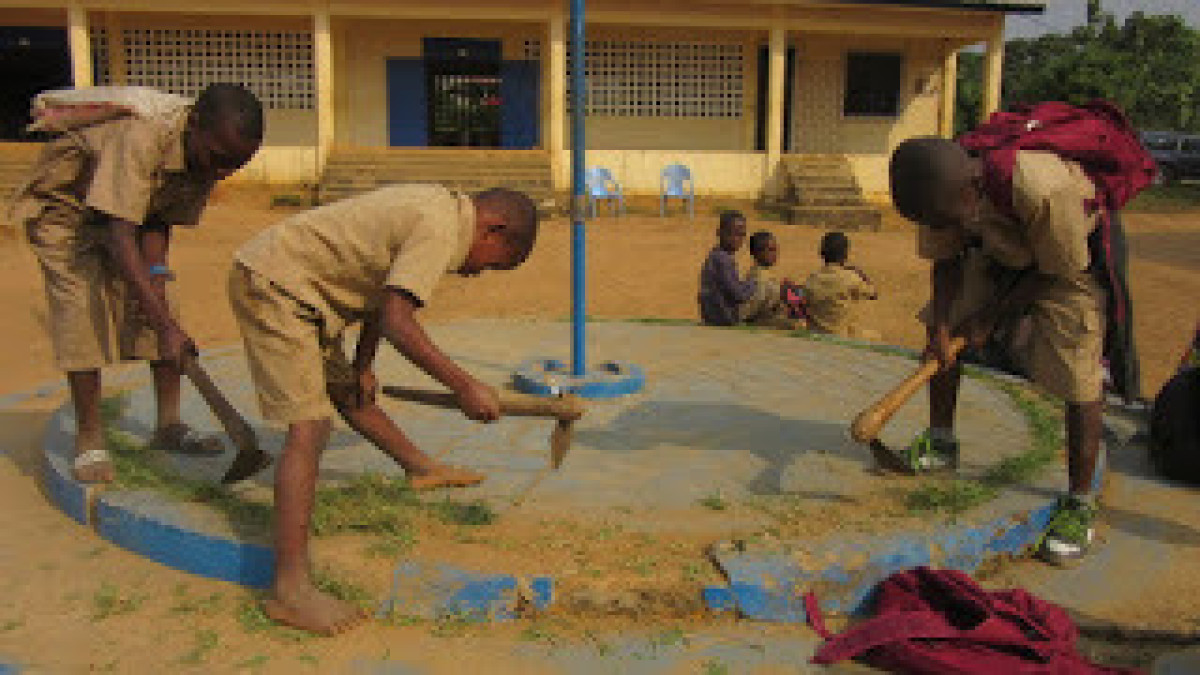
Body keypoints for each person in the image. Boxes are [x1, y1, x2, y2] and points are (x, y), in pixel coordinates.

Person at [228, 184, 538, 635]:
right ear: (494, 229)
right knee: (310, 429)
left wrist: (363, 364)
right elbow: (398, 319)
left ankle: (420, 468)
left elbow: (382, 294)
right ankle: (290, 592)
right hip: (275, 286)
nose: (476, 274)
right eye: (490, 263)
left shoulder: (439, 211)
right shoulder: (439, 228)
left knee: (354, 393)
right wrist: (465, 385)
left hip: (304, 293)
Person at [11, 83, 264, 483]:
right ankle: (90, 437)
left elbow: (156, 218)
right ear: (194, 124)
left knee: (166, 309)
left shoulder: (210, 154)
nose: (222, 172)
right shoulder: (142, 137)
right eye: (218, 160)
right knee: (83, 314)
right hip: (66, 216)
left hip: (126, 221)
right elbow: (118, 233)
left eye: (235, 165)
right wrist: (163, 325)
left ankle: (168, 427)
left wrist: (159, 287)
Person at [890, 136, 1112, 566]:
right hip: (997, 250)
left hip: (1064, 263)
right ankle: (941, 444)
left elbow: (1058, 269)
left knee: (1078, 371)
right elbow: (947, 261)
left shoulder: (1045, 189)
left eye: (945, 219)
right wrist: (941, 326)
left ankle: (1079, 503)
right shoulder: (933, 192)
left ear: (973, 188)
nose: (939, 227)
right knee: (944, 330)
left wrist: (992, 318)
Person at [803, 231, 878, 339]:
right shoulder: (850, 278)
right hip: (841, 338)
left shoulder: (812, 279)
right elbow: (874, 294)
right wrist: (859, 273)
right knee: (875, 337)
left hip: (815, 336)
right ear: (845, 254)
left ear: (822, 253)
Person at [698, 210, 756, 326]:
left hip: (714, 315)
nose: (738, 239)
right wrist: (753, 284)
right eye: (733, 233)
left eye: (742, 235)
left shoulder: (716, 256)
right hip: (723, 317)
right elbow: (739, 295)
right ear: (719, 233)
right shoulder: (722, 260)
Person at [739, 230, 805, 329]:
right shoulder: (758, 278)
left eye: (775, 250)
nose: (775, 254)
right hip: (760, 321)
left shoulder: (767, 274)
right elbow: (749, 310)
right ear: (757, 252)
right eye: (770, 250)